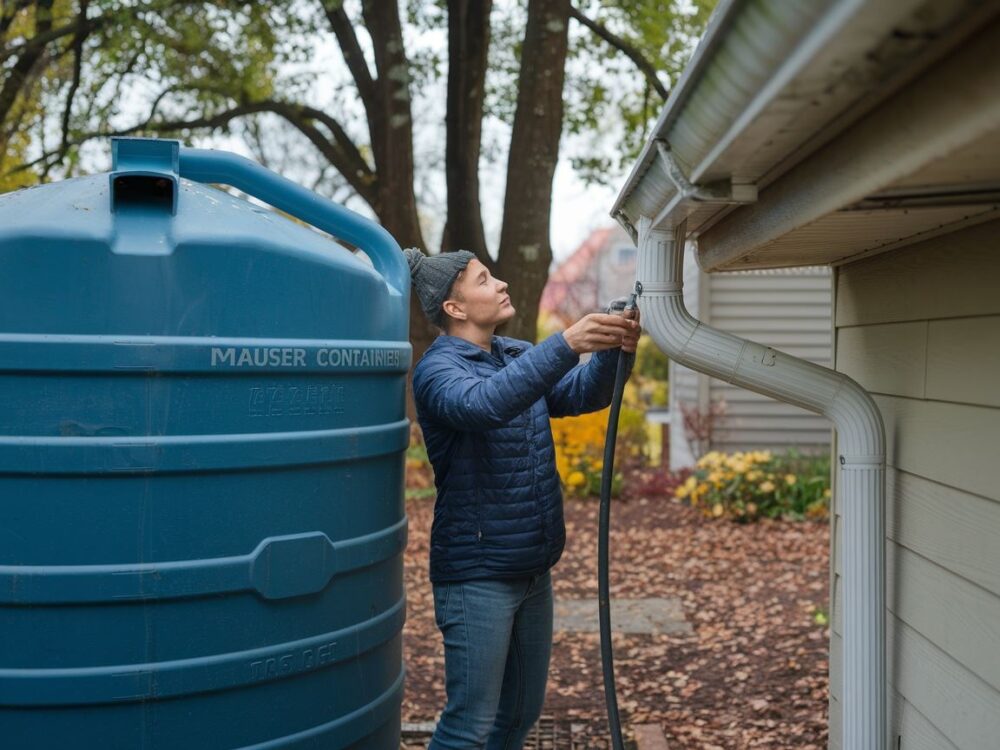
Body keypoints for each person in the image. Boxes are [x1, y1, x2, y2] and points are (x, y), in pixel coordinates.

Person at [403, 247, 640, 750]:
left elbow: (580, 396)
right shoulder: (437, 370)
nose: (502, 284)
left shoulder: (512, 354)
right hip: (478, 574)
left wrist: (610, 350)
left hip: (533, 567)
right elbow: (483, 404)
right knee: (469, 724)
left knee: (518, 717)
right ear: (455, 309)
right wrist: (563, 343)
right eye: (485, 280)